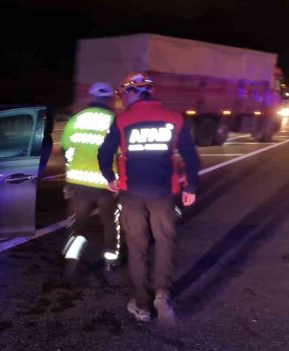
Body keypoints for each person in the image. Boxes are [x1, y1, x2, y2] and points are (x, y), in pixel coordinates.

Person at [97, 72, 200, 325]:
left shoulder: (123, 121)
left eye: (124, 95)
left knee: (137, 246)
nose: (122, 100)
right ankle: (163, 294)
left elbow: (104, 153)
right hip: (164, 192)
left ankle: (142, 305)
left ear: (134, 93)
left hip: (132, 193)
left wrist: (110, 177)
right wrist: (191, 188)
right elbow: (190, 155)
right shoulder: (174, 118)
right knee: (165, 241)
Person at [61, 82, 122, 275]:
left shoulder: (76, 119)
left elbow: (65, 148)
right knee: (110, 223)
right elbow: (121, 152)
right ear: (110, 99)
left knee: (77, 223)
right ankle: (110, 260)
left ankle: (72, 257)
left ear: (91, 98)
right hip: (106, 183)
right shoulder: (115, 120)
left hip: (79, 182)